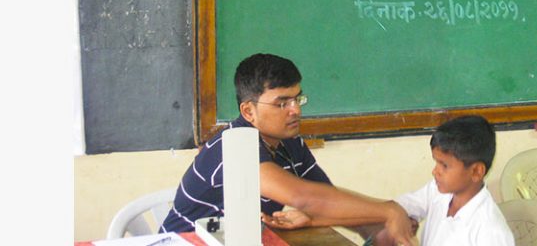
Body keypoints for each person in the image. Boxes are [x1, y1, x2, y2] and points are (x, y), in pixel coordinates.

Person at [159, 53, 414, 245]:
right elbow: (303, 198)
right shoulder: (232, 147)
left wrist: (376, 228)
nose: (296, 110)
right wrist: (389, 210)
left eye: (297, 98)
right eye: (282, 103)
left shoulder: (289, 143)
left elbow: (325, 199)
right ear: (248, 111)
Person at [375, 115, 516, 246]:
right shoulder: (438, 191)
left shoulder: (491, 232)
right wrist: (403, 219)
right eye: (436, 163)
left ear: (476, 171)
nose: (435, 171)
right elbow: (403, 206)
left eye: (444, 165)